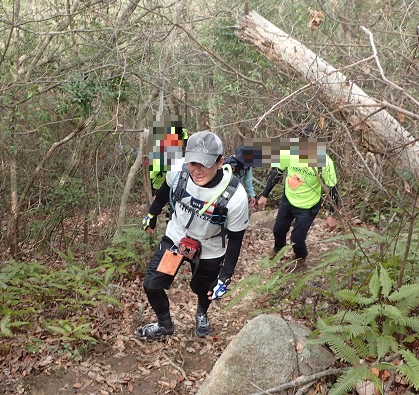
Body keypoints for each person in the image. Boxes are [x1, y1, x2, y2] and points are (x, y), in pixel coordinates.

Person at [137, 131, 249, 339]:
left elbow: (235, 240)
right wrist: (152, 213)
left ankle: (201, 313)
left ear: (219, 162)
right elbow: (165, 190)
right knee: (152, 284)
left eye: (204, 164)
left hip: (210, 246)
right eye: (192, 163)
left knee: (203, 287)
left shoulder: (235, 196)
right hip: (177, 237)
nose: (197, 171)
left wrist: (225, 277)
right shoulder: (179, 171)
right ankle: (164, 325)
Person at [257, 126, 340, 268]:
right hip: (288, 199)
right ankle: (278, 250)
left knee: (297, 239)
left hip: (308, 206)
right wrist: (265, 195)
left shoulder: (324, 162)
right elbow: (277, 172)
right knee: (278, 230)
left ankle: (301, 257)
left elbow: (333, 188)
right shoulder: (290, 153)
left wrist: (332, 214)